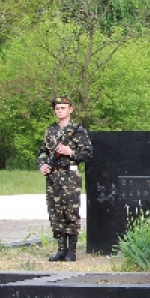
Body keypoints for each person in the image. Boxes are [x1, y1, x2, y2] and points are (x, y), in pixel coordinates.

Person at [37, 96, 92, 261]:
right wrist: (42, 165)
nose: (59, 111)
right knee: (55, 212)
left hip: (70, 176)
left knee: (71, 212)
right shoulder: (50, 131)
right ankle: (61, 248)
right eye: (57, 108)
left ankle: (72, 251)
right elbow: (42, 151)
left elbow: (87, 153)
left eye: (62, 108)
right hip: (53, 176)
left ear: (70, 109)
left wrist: (71, 153)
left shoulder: (78, 131)